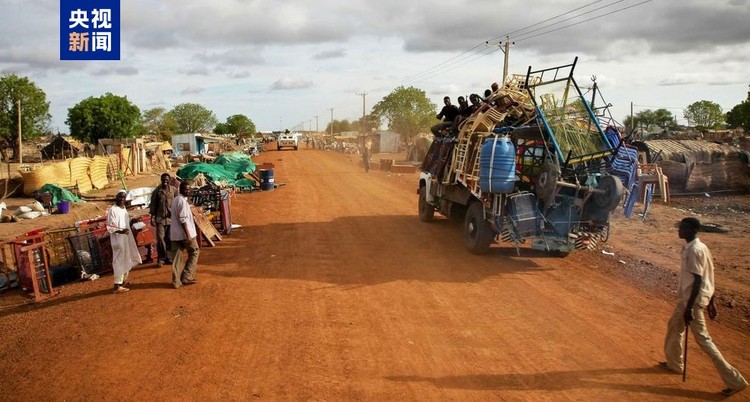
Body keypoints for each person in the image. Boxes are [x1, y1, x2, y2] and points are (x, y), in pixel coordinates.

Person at [660, 217, 748, 397]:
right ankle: (675, 364)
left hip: (692, 301)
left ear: (692, 230)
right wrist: (712, 301)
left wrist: (690, 308)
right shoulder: (695, 247)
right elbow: (710, 274)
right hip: (687, 299)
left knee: (704, 340)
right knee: (674, 326)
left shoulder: (694, 250)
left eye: (683, 228)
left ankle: (735, 380)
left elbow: (699, 281)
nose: (679, 230)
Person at [107, 190, 142, 293]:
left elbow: (125, 223)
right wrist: (121, 231)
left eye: (123, 198)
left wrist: (132, 222)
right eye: (120, 197)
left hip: (125, 238)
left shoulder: (123, 209)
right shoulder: (112, 210)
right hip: (118, 239)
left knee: (126, 258)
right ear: (116, 197)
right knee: (118, 261)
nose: (122, 199)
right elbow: (110, 227)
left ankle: (123, 280)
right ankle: (117, 285)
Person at [170, 181, 200, 289]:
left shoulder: (176, 200)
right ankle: (187, 276)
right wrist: (188, 235)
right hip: (185, 234)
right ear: (180, 190)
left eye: (189, 189)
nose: (188, 191)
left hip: (175, 234)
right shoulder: (182, 201)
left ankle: (176, 281)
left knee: (177, 258)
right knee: (194, 251)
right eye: (186, 189)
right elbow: (183, 219)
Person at [149, 173, 177, 267]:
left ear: (169, 180)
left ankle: (169, 258)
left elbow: (178, 202)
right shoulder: (157, 191)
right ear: (161, 180)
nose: (165, 181)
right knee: (160, 239)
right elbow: (153, 205)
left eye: (167, 179)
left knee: (169, 238)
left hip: (171, 219)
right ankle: (161, 259)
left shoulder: (173, 190)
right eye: (163, 179)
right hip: (160, 218)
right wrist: (152, 216)